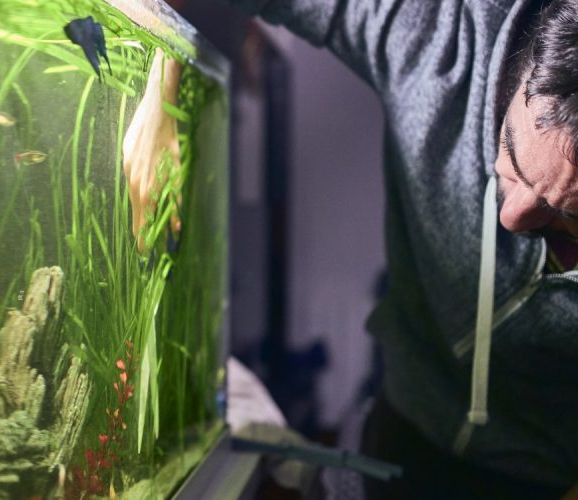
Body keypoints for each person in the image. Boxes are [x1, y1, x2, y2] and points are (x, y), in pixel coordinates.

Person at [124, 0, 578, 498]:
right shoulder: (436, 36)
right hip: (403, 421)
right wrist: (160, 83)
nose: (513, 216)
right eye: (510, 152)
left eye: (567, 218)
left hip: (541, 479)